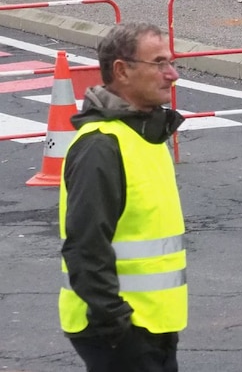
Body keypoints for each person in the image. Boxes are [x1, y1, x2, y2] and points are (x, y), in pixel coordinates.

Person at [59, 21, 187, 372]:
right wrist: (116, 324)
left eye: (171, 62)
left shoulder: (147, 134)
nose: (171, 74)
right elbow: (85, 245)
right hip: (118, 329)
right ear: (121, 70)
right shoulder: (102, 145)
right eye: (159, 63)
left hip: (153, 323)